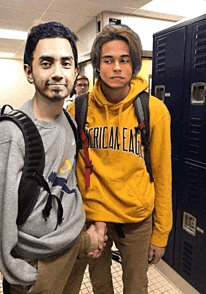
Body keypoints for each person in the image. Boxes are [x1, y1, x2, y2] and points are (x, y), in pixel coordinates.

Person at [0, 22, 107, 294]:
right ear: (29, 72)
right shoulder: (9, 135)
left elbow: (69, 183)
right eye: (46, 63)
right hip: (35, 266)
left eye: (66, 64)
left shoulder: (70, 122)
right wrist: (23, 276)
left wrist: (85, 236)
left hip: (72, 253)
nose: (57, 73)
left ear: (76, 72)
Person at [67, 24, 172, 294]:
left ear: (134, 65)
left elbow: (162, 176)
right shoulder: (77, 109)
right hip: (92, 219)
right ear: (97, 66)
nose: (116, 68)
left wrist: (160, 234)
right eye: (108, 60)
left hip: (136, 220)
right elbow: (69, 170)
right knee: (100, 285)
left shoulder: (153, 110)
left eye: (124, 60)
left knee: (136, 287)